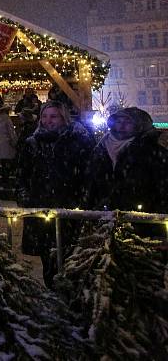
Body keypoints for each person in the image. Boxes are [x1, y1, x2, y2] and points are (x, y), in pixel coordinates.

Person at [16, 101, 94, 288]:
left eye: (53, 116)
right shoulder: (33, 143)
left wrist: (82, 199)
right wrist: (25, 197)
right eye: (44, 116)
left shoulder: (78, 141)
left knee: (73, 258)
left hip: (71, 210)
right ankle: (53, 297)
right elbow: (22, 174)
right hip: (42, 209)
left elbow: (89, 174)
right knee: (48, 259)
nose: (48, 121)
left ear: (63, 117)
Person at [85, 107, 168, 238]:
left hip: (142, 220)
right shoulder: (101, 148)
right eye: (119, 121)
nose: (122, 125)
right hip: (106, 218)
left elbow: (162, 186)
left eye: (128, 122)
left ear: (140, 125)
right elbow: (91, 183)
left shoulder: (151, 151)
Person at [0, 106, 17, 185]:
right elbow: (11, 131)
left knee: (2, 161)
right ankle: (6, 178)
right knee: (7, 160)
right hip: (5, 140)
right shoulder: (7, 119)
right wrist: (14, 141)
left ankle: (3, 178)